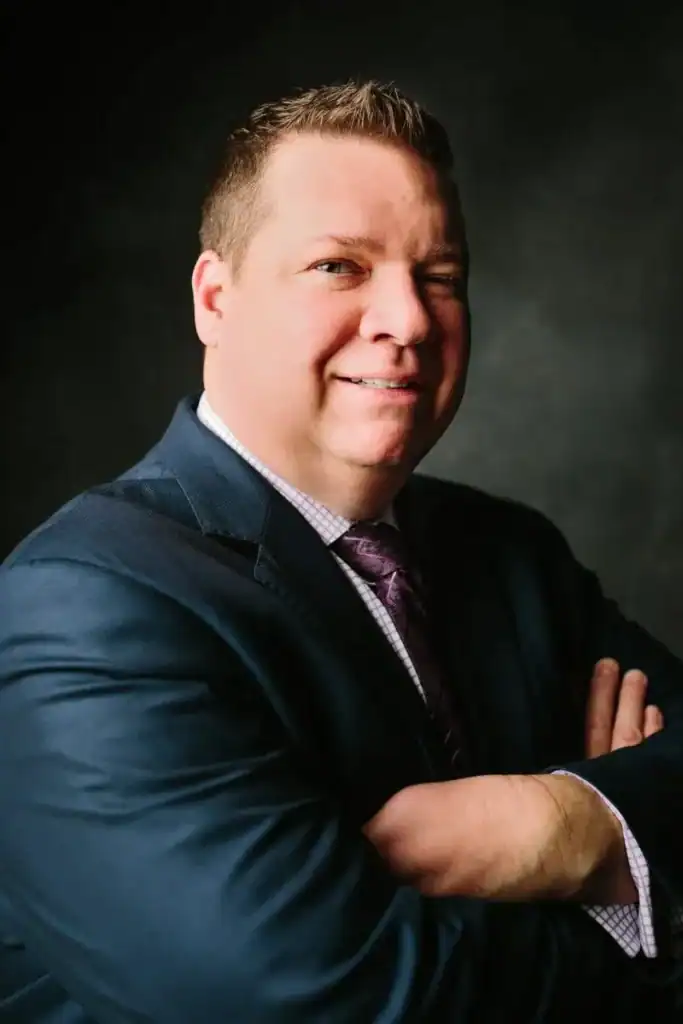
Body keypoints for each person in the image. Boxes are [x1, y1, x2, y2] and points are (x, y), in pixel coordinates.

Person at [0, 79, 682, 1023]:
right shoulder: (81, 605)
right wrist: (634, 917)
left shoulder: (514, 556)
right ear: (214, 298)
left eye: (439, 276)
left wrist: (564, 828)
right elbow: (315, 997)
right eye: (339, 266)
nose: (406, 319)